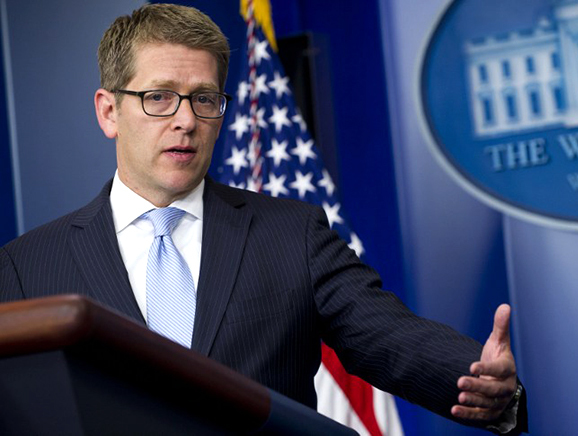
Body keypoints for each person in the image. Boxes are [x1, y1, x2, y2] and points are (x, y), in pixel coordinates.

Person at [0, 4, 526, 434]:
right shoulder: (27, 267)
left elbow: (387, 335)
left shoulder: (290, 233)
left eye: (204, 99)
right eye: (159, 97)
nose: (186, 119)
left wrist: (475, 373)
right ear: (109, 111)